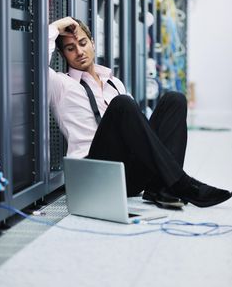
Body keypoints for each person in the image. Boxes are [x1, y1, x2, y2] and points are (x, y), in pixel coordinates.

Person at [48, 16, 231, 209]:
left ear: (92, 43)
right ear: (63, 54)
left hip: (129, 175)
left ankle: (162, 189)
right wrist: (56, 27)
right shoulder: (60, 84)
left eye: (83, 43)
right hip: (96, 172)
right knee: (122, 104)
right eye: (70, 49)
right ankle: (182, 183)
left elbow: (136, 131)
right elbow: (34, 60)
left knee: (174, 99)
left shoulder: (114, 83)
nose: (79, 51)